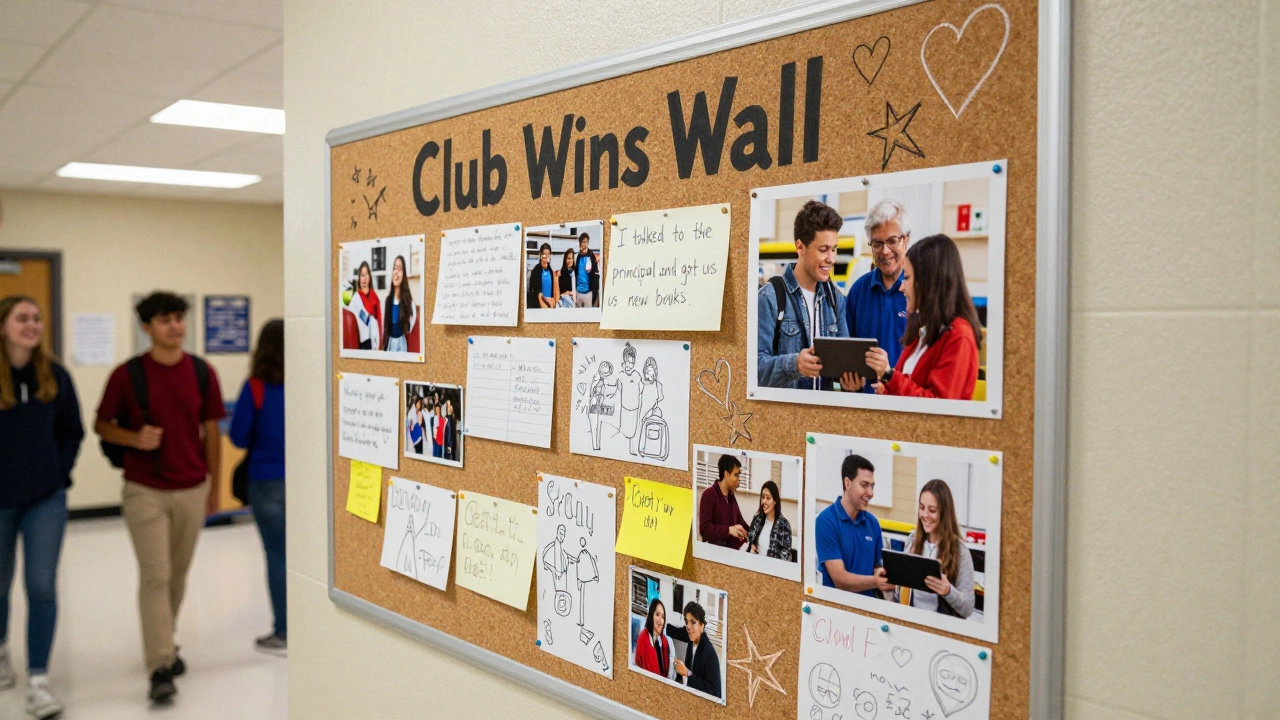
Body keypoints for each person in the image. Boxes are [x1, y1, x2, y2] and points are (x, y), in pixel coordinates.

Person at [94, 292, 225, 704]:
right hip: (145, 490)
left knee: (178, 575)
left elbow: (213, 433)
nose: (175, 327)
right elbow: (101, 424)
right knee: (156, 575)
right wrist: (134, 437)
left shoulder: (203, 372)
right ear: (147, 327)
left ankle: (164, 640)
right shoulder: (126, 375)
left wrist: (215, 489)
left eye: (179, 318)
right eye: (165, 320)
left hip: (191, 488)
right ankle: (160, 665)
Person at [0, 296, 84, 719]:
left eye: (36, 318)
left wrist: (59, 473)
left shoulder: (56, 376)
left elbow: (73, 431)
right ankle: (1, 650)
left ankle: (38, 681)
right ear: (3, 326)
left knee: (41, 585)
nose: (32, 325)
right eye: (22, 318)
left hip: (45, 499)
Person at [228, 319, 288, 656]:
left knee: (277, 556)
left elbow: (237, 436)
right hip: (306, 481)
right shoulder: (308, 383)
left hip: (266, 480)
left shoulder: (256, 387)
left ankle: (283, 631)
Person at [861, 234, 982, 399]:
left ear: (930, 282)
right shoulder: (923, 330)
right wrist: (886, 388)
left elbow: (937, 408)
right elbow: (910, 388)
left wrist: (889, 376)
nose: (902, 287)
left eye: (908, 278)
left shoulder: (959, 337)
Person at [756, 200, 857, 391]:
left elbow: (842, 365)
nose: (831, 258)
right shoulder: (769, 298)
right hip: (784, 417)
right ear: (800, 247)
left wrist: (849, 381)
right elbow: (754, 370)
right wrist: (795, 364)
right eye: (823, 249)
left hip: (822, 416)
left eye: (834, 249)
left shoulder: (836, 299)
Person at [844, 199, 911, 393]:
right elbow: (847, 349)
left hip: (906, 403)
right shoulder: (858, 291)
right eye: (877, 243)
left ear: (905, 239)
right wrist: (851, 381)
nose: (884, 251)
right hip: (864, 403)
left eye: (892, 241)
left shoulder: (919, 291)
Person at [814, 454, 893, 598]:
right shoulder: (825, 521)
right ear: (847, 483)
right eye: (864, 485)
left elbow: (876, 566)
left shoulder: (873, 523)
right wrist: (875, 581)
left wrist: (883, 574)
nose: (870, 493)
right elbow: (840, 580)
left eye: (872, 486)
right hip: (836, 610)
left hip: (868, 610)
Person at [895, 480, 976, 618]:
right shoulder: (912, 541)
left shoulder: (960, 551)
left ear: (944, 513)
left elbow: (968, 608)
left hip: (940, 630)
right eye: (921, 508)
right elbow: (900, 594)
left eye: (932, 510)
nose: (925, 515)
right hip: (910, 622)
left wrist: (948, 591)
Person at [665, 602, 721, 699]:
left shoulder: (709, 653)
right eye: (687, 621)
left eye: (693, 622)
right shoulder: (692, 637)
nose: (688, 626)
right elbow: (676, 632)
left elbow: (715, 692)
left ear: (702, 625)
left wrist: (687, 673)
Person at [698, 454, 748, 550]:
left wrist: (755, 535)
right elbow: (705, 530)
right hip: (714, 556)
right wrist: (728, 530)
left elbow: (741, 523)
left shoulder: (732, 498)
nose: (739, 479)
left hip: (731, 556)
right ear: (726, 474)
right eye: (736, 475)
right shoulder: (708, 495)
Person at [746, 480, 793, 561]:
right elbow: (749, 542)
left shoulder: (784, 526)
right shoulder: (757, 520)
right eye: (763, 497)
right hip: (754, 568)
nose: (764, 501)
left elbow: (785, 558)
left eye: (768, 498)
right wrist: (751, 546)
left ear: (775, 501)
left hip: (772, 571)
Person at [380, 255, 415, 353]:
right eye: (394, 268)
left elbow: (410, 327)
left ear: (403, 274)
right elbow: (385, 328)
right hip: (390, 346)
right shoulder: (387, 301)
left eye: (399, 269)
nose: (396, 272)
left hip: (402, 346)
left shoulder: (408, 303)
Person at [344, 261, 381, 350]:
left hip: (374, 341)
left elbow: (379, 320)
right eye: (362, 275)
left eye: (366, 275)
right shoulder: (356, 298)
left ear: (369, 277)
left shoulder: (375, 298)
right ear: (359, 278)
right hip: (361, 343)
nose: (364, 278)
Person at [633, 598, 672, 680]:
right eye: (657, 614)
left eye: (663, 617)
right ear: (651, 615)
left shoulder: (664, 640)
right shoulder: (643, 638)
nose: (661, 621)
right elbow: (638, 664)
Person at [574, 232, 601, 308]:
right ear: (579, 243)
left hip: (588, 292)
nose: (584, 244)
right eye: (583, 242)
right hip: (578, 292)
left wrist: (595, 292)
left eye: (586, 242)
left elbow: (596, 274)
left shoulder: (591, 256)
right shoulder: (577, 257)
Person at [527, 243, 557, 309]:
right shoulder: (536, 270)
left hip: (550, 305)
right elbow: (533, 290)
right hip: (540, 305)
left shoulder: (551, 271)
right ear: (541, 255)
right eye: (544, 254)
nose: (546, 256)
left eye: (548, 254)